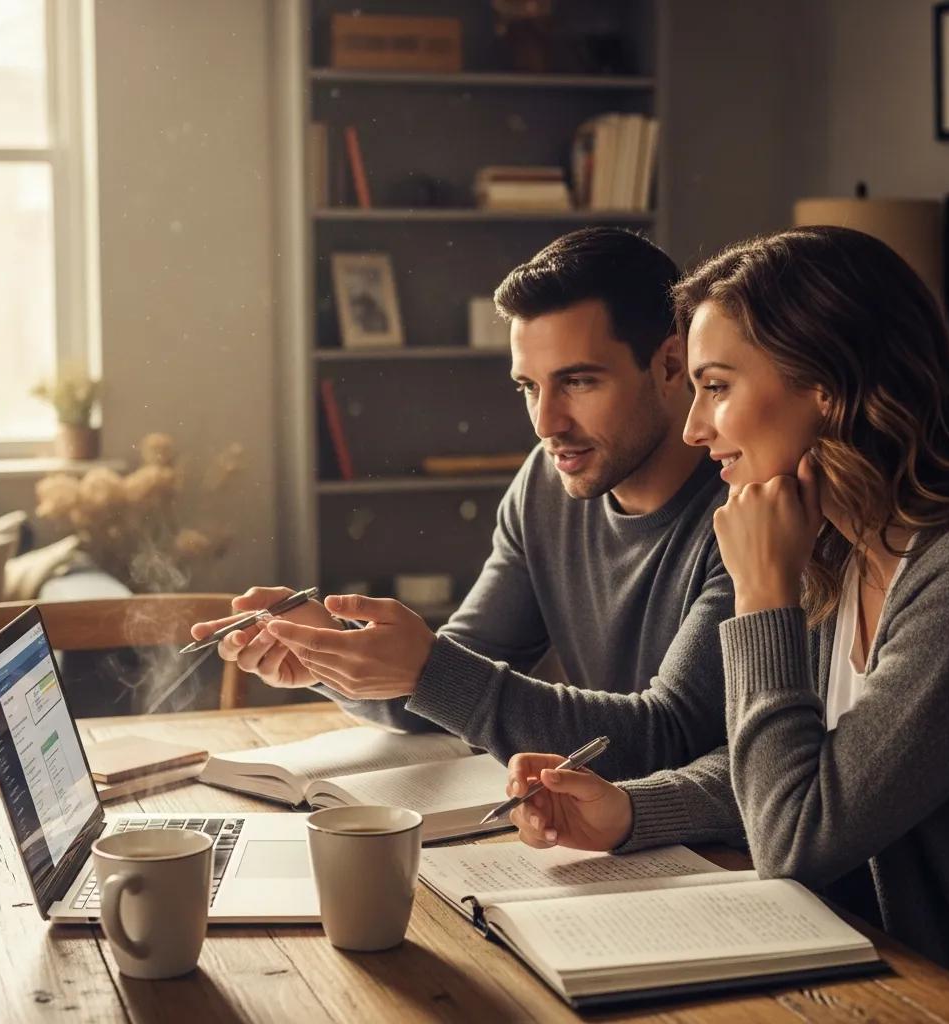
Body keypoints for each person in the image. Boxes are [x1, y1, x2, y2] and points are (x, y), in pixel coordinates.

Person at [505, 226, 949, 980]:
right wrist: (627, 810)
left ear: (826, 383)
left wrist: (763, 595)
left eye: (716, 387)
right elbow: (799, 767)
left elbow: (797, 833)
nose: (694, 427)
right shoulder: (846, 545)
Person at [193, 227, 744, 851]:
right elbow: (446, 687)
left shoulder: (745, 512)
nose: (546, 423)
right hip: (596, 845)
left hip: (717, 861)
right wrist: (332, 654)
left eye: (579, 382)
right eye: (529, 387)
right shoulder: (546, 483)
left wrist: (428, 670)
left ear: (671, 364)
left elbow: (668, 739)